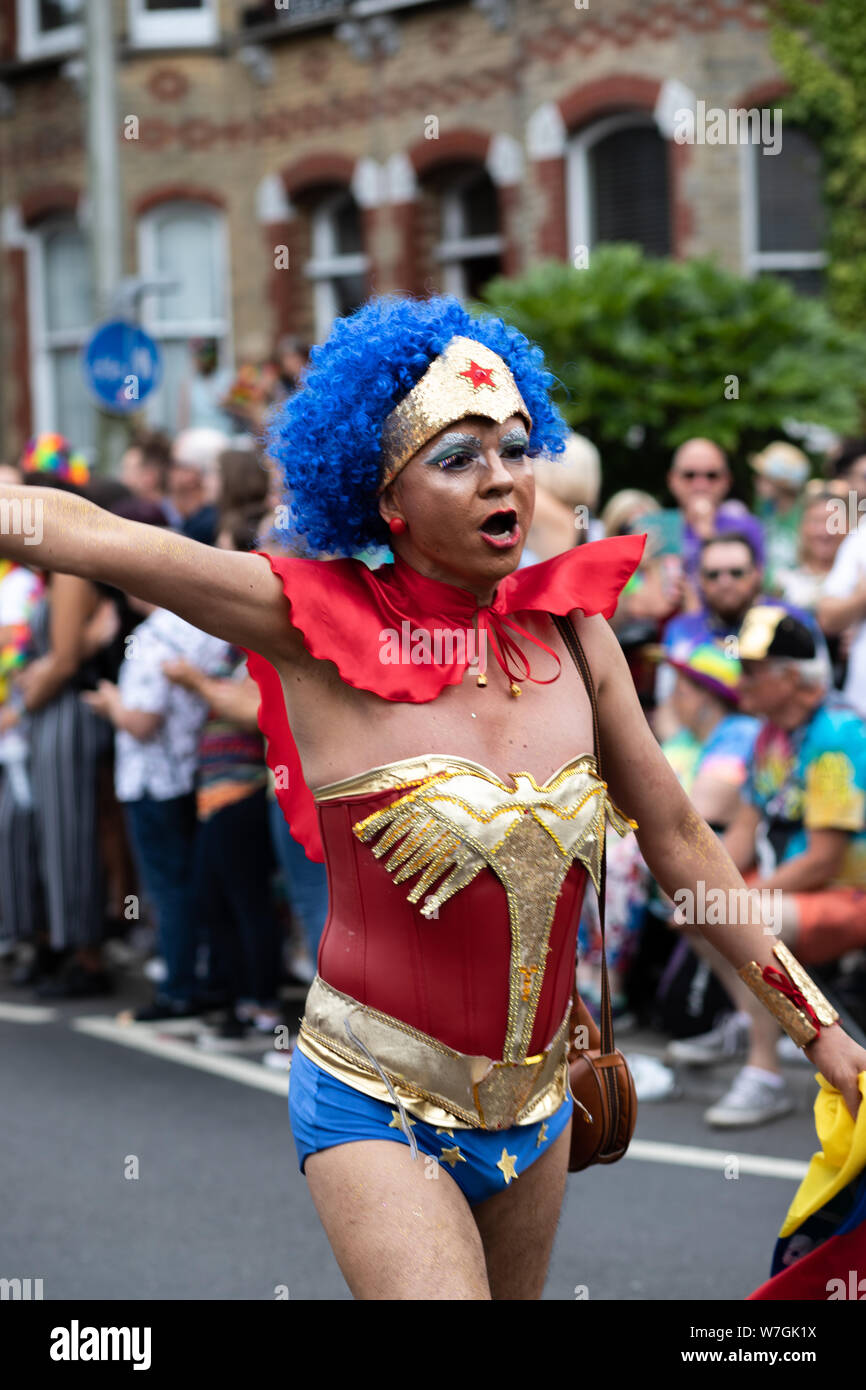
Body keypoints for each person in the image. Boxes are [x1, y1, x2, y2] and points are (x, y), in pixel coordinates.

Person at [0, 296, 863, 1302]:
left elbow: (676, 837)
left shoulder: (575, 637)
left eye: (513, 445)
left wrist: (819, 1028)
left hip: (537, 1101)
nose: (501, 475)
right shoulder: (311, 622)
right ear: (385, 496)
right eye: (456, 457)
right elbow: (98, 537)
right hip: (374, 1096)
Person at [667, 607, 866, 1128]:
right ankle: (752, 1019)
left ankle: (766, 1070)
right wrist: (702, 888)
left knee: (743, 920)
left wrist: (737, 903)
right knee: (694, 906)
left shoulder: (837, 734)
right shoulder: (768, 735)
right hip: (796, 891)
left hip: (848, 896)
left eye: (753, 671)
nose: (741, 682)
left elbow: (826, 861)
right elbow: (744, 833)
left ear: (792, 678)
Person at [749, 441, 811, 592]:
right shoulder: (765, 509)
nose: (756, 480)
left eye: (763, 477)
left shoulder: (805, 515)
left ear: (781, 483)